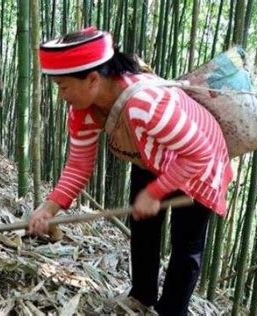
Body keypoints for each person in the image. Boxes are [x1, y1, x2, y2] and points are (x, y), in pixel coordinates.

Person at [28, 26, 233, 316]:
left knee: (186, 246)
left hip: (200, 163)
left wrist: (156, 191)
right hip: (151, 155)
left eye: (63, 86)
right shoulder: (83, 110)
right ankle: (142, 295)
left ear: (93, 79)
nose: (61, 96)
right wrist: (49, 209)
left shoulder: (146, 105)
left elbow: (198, 153)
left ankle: (172, 311)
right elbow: (78, 165)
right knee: (143, 225)